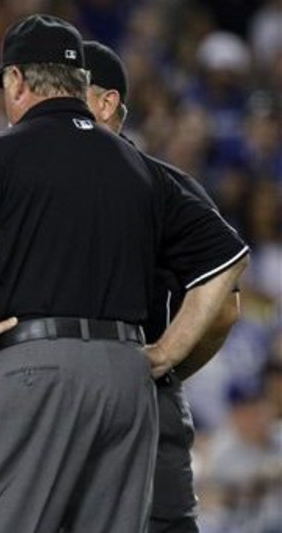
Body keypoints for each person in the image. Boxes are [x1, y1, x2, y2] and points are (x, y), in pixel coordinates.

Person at [0, 14, 249, 532]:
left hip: (33, 366)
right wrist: (166, 354)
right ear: (81, 84)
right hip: (131, 380)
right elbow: (227, 262)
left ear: (17, 80)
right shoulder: (146, 170)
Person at [83, 40, 242, 533]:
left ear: (107, 104)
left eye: (68, 92)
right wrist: (166, 363)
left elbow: (224, 305)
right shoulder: (165, 185)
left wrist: (165, 360)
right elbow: (221, 308)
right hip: (137, 391)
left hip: (75, 395)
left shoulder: (159, 186)